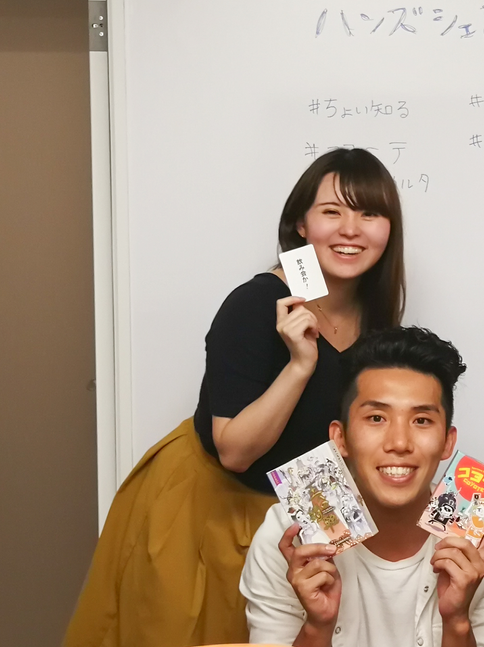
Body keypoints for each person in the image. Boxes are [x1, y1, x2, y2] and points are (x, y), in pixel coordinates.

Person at [65, 148, 406, 647]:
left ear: (389, 229)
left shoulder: (376, 316)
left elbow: (330, 447)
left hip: (302, 503)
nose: (350, 230)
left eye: (369, 213)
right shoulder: (255, 304)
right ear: (301, 225)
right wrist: (300, 365)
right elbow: (234, 452)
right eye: (332, 211)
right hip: (210, 508)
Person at [242, 326, 484, 646]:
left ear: (447, 442)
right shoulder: (287, 535)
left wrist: (457, 622)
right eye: (377, 418)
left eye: (421, 420)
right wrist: (316, 626)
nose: (399, 442)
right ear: (340, 438)